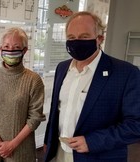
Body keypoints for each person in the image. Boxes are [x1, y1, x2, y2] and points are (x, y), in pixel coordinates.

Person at [43, 11, 140, 162]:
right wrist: (47, 142)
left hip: (98, 156)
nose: (76, 42)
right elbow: (57, 110)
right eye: (71, 38)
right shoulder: (62, 68)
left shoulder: (125, 73)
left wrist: (93, 142)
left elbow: (135, 125)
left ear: (99, 38)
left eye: (84, 37)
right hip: (60, 153)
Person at [0, 27, 46, 162]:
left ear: (24, 50)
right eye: (6, 46)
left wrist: (12, 144)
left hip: (21, 154)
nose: (10, 50)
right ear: (0, 49)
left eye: (16, 47)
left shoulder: (33, 80)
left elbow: (35, 118)